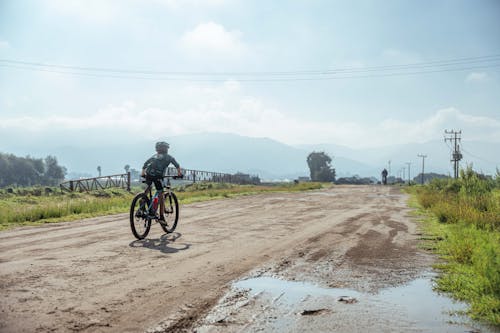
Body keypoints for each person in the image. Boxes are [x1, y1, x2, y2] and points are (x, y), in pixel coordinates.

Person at [141, 141, 182, 221]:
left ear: (157, 149)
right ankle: (161, 217)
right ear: (167, 149)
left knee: (149, 187)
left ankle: (142, 201)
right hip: (158, 176)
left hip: (149, 174)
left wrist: (143, 173)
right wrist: (179, 173)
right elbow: (177, 165)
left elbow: (145, 164)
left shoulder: (155, 156)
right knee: (161, 194)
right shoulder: (169, 157)